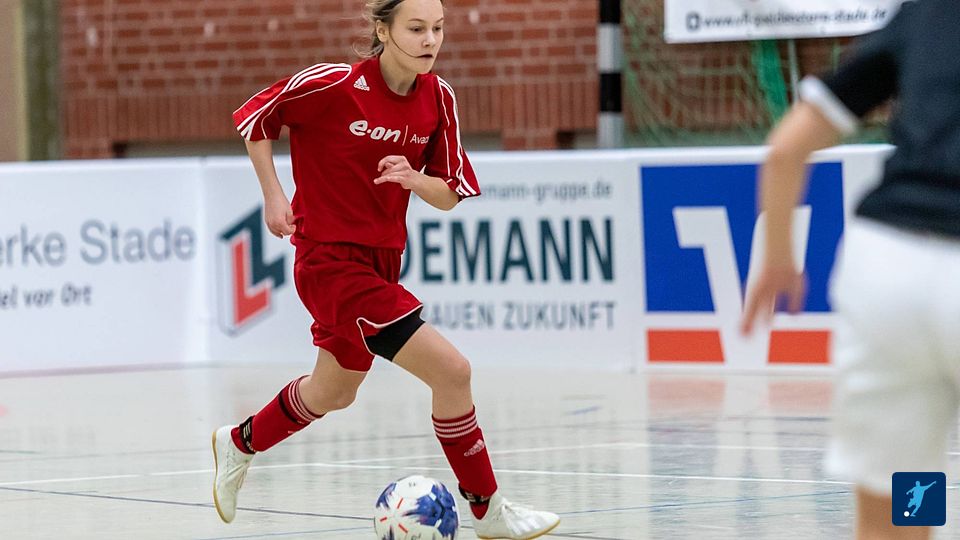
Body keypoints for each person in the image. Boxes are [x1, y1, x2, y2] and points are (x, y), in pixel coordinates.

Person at [212, 1, 560, 538]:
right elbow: (255, 119)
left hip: (381, 262)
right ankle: (489, 510)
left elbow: (450, 194)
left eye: (438, 29)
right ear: (383, 30)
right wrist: (273, 195)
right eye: (416, 28)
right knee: (453, 371)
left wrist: (413, 179)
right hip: (328, 263)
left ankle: (238, 442)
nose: (430, 40)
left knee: (333, 392)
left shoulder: (438, 98)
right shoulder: (332, 84)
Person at [741, 1, 960, 538]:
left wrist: (778, 256)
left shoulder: (929, 13)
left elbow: (785, 149)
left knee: (904, 479)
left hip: (889, 268)